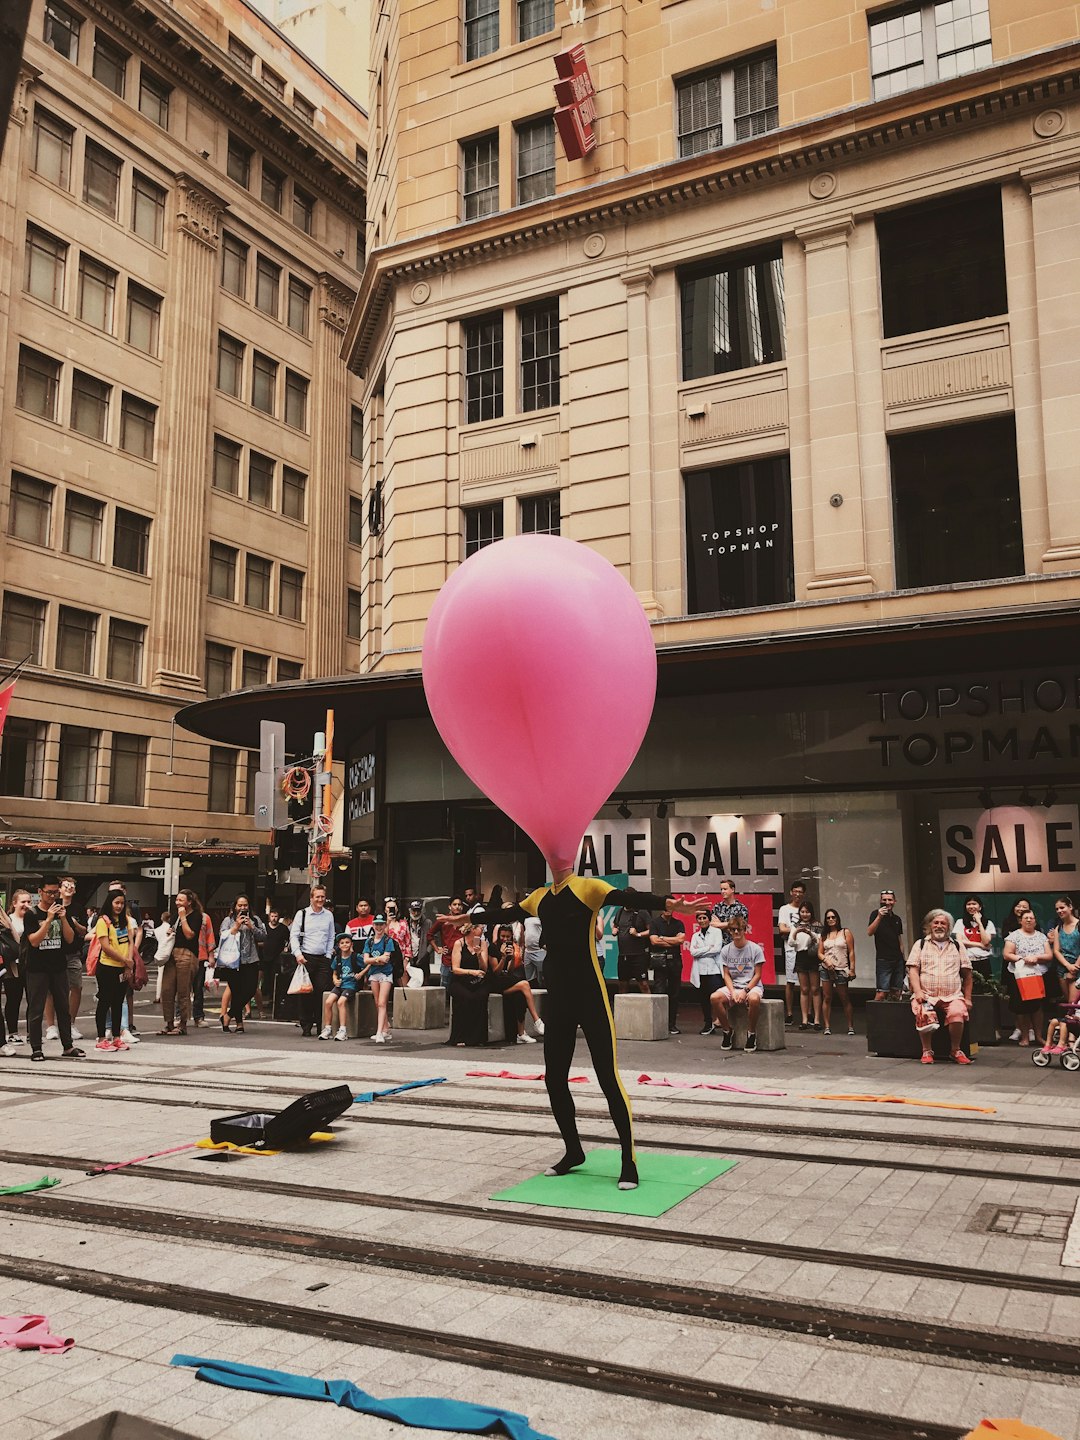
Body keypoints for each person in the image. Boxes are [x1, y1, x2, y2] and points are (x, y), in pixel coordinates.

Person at [461, 877, 685, 1190]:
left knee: (608, 1078)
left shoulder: (588, 888)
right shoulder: (539, 896)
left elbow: (625, 896)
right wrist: (470, 917)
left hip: (591, 997)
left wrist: (666, 903)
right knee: (554, 1079)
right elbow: (505, 916)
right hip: (560, 1001)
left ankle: (628, 1161)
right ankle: (573, 1151)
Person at [22, 876, 84, 1061]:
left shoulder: (60, 911)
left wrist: (63, 918)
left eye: (55, 892)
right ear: (40, 892)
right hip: (37, 967)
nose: (52, 896)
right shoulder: (32, 914)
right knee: (36, 1008)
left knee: (63, 1007)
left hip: (58, 966)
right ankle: (36, 1047)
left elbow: (70, 938)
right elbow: (33, 941)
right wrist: (48, 919)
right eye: (49, 892)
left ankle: (67, 1045)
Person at [907, 908, 973, 1065]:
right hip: (926, 994)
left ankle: (955, 1050)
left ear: (948, 927)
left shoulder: (958, 946)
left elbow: (968, 975)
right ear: (930, 925)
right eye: (935, 922)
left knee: (958, 1013)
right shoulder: (920, 944)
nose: (939, 926)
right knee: (924, 1013)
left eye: (943, 923)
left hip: (952, 995)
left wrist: (968, 999)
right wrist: (918, 992)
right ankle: (927, 1051)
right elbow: (913, 971)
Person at [289, 885, 337, 1037]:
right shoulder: (302, 914)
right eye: (317, 897)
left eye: (322, 897)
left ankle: (321, 1024)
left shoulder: (328, 915)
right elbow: (294, 936)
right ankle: (306, 1025)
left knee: (322, 993)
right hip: (306, 958)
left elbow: (331, 937)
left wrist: (328, 955)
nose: (320, 899)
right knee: (305, 993)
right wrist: (298, 954)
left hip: (323, 958)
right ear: (311, 898)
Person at [44, 875, 87, 1044]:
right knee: (51, 990)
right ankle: (51, 1026)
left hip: (72, 953)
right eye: (66, 886)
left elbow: (84, 931)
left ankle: (71, 1024)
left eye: (72, 886)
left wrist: (73, 922)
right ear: (59, 889)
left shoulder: (78, 908)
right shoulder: (53, 906)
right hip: (54, 952)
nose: (69, 888)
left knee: (76, 986)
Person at [93, 889, 137, 1052]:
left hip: (123, 967)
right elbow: (105, 946)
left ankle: (117, 1037)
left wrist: (128, 964)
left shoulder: (126, 920)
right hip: (107, 967)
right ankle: (101, 1038)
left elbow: (130, 942)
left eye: (121, 903)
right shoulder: (102, 921)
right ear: (110, 903)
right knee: (105, 1001)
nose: (119, 906)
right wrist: (124, 959)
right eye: (116, 902)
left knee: (118, 1001)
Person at [713, 915, 765, 1052]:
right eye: (733, 930)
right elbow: (726, 974)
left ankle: (751, 1033)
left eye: (739, 929)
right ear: (729, 931)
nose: (736, 932)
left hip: (752, 986)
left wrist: (745, 991)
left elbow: (758, 974)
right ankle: (727, 1030)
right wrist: (733, 992)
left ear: (744, 930)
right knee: (714, 998)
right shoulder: (726, 950)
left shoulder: (755, 949)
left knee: (754, 999)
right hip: (734, 986)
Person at [486, 924, 545, 1043]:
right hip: (494, 982)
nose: (505, 939)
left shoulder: (511, 946)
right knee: (524, 984)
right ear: (498, 935)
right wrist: (503, 957)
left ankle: (521, 1033)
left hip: (506, 980)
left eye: (508, 936)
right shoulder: (492, 948)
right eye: (502, 936)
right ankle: (537, 1020)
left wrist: (512, 958)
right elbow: (496, 972)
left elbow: (509, 971)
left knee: (520, 995)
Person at [1003, 908, 1052, 1048]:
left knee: (1037, 1007)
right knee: (1021, 1008)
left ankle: (1038, 1036)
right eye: (1026, 918)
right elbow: (1007, 954)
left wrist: (1036, 958)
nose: (1029, 920)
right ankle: (1025, 1037)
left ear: (1036, 921)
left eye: (1032, 918)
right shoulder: (1014, 936)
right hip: (1020, 976)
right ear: (1020, 921)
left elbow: (1049, 955)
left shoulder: (1042, 936)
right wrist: (1022, 959)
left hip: (1038, 975)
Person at [219, 896, 266, 1033]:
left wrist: (252, 926)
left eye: (245, 905)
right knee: (236, 991)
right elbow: (223, 936)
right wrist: (236, 926)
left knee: (251, 989)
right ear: (235, 907)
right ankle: (239, 1024)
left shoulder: (255, 919)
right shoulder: (228, 921)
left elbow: (263, 936)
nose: (243, 908)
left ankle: (228, 1015)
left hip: (250, 959)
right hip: (232, 960)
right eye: (240, 905)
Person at [160, 889, 203, 1036]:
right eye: (177, 900)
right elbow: (174, 931)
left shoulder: (196, 916)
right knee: (166, 989)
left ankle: (183, 1024)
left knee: (183, 990)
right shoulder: (175, 916)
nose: (177, 902)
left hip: (187, 954)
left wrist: (183, 917)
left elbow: (190, 935)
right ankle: (169, 1023)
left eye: (181, 900)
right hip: (172, 953)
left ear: (189, 902)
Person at [357, 912, 401, 1043]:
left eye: (381, 924)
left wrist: (373, 960)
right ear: (373, 925)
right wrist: (377, 959)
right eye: (377, 924)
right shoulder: (369, 941)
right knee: (377, 1003)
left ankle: (379, 1032)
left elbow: (386, 959)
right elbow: (365, 960)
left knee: (382, 1003)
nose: (379, 927)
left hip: (386, 974)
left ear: (385, 925)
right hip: (373, 974)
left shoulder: (388, 941)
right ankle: (385, 1029)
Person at [446, 919, 489, 1047]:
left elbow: (484, 969)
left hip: (478, 981)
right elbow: (455, 969)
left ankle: (477, 1037)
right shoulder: (459, 943)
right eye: (481, 928)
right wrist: (471, 972)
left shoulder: (482, 944)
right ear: (473, 929)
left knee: (480, 997)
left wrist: (479, 955)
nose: (482, 930)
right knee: (466, 998)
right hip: (461, 980)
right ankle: (460, 1036)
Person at [818, 908, 855, 1037]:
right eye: (828, 918)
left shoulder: (845, 932)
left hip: (841, 968)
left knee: (844, 997)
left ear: (837, 918)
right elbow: (819, 952)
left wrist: (852, 969)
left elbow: (851, 951)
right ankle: (827, 1026)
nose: (831, 920)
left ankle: (850, 1025)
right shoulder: (824, 935)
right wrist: (825, 960)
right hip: (826, 968)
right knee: (827, 997)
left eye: (833, 917)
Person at [0, 890, 30, 1051]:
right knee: (13, 998)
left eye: (28, 902)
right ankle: (12, 1032)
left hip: (30, 964)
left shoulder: (32, 919)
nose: (26, 905)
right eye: (23, 902)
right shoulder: (7, 920)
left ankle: (32, 1032)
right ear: (14, 903)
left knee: (33, 998)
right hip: (12, 965)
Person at [689, 905, 726, 1035]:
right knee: (704, 999)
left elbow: (716, 949)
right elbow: (693, 952)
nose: (702, 920)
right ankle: (707, 1024)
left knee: (717, 998)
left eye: (704, 917)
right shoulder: (695, 935)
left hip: (714, 971)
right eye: (699, 918)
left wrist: (702, 950)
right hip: (700, 972)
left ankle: (723, 1022)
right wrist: (707, 949)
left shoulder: (717, 932)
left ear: (709, 919)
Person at [321, 932, 363, 1041]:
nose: (345, 945)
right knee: (328, 1002)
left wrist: (361, 974)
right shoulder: (337, 958)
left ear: (351, 944)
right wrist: (335, 980)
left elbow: (367, 964)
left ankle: (343, 1030)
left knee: (341, 1002)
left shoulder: (356, 957)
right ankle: (327, 1028)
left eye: (347, 942)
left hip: (351, 985)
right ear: (339, 945)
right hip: (340, 984)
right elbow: (334, 972)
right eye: (342, 943)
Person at [650, 905, 685, 1035]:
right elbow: (653, 941)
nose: (668, 910)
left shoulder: (678, 923)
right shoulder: (654, 922)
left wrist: (663, 938)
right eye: (665, 907)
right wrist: (673, 941)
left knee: (674, 993)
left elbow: (681, 940)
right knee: (659, 991)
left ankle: (672, 1024)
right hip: (660, 960)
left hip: (675, 960)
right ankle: (659, 1023)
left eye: (671, 908)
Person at [777, 881, 807, 1027]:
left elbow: (812, 927)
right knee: (790, 981)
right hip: (790, 949)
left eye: (800, 892)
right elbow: (782, 929)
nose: (797, 894)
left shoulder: (806, 908)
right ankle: (789, 1013)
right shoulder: (784, 909)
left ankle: (807, 1014)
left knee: (805, 983)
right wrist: (799, 929)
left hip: (805, 949)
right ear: (791, 892)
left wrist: (793, 929)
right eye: (795, 891)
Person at [868, 890, 905, 1001]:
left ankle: (893, 1017)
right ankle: (875, 1017)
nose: (887, 902)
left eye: (890, 899)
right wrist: (879, 916)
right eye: (884, 899)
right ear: (880, 901)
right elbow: (870, 932)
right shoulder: (875, 914)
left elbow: (899, 940)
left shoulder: (897, 919)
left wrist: (903, 959)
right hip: (884, 960)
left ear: (894, 901)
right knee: (881, 993)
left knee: (896, 992)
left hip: (897, 960)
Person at [427, 896, 468, 989]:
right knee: (444, 991)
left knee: (460, 990)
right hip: (447, 960)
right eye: (455, 904)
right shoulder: (443, 920)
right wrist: (437, 949)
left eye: (459, 904)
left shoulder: (465, 920)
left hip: (462, 960)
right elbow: (429, 934)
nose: (457, 907)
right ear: (450, 906)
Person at [257, 909, 291, 1018]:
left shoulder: (283, 929)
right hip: (263, 957)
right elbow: (258, 939)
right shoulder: (264, 928)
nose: (274, 918)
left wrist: (286, 949)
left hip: (277, 958)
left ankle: (273, 999)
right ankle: (261, 1000)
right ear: (269, 917)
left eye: (276, 916)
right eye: (272, 916)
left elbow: (288, 941)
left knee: (275, 980)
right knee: (260, 980)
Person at [952, 897, 996, 983]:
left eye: (974, 904)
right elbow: (959, 941)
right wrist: (980, 945)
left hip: (983, 960)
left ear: (980, 907)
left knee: (985, 988)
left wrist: (979, 922)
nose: (971, 906)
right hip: (966, 960)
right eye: (969, 904)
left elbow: (986, 941)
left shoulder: (988, 923)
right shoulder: (960, 922)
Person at [793, 902, 822, 1030]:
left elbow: (820, 942)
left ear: (812, 912)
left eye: (807, 912)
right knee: (804, 989)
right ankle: (804, 1019)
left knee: (815, 989)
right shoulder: (796, 925)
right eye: (802, 912)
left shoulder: (817, 925)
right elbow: (791, 943)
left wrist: (810, 933)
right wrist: (795, 933)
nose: (805, 914)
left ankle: (816, 1020)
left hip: (813, 957)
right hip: (801, 956)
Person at [614, 901, 651, 994]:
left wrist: (638, 934)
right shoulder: (620, 912)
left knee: (643, 984)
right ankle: (623, 1008)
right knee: (622, 984)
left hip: (638, 955)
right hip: (623, 955)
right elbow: (615, 925)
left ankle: (648, 1007)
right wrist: (614, 929)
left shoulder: (642, 912)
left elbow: (651, 930)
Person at [1049, 896, 1080, 1003]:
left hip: (1077, 968)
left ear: (1070, 907)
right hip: (1062, 968)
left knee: (1073, 1003)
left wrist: (1074, 967)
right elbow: (1056, 950)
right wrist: (1067, 965)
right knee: (1068, 1003)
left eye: (1062, 907)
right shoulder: (1059, 927)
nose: (1059, 911)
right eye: (1057, 909)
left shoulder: (1078, 925)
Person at [191, 903, 217, 1028]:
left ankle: (198, 1016)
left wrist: (211, 956)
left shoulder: (204, 918)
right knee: (182, 989)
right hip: (184, 957)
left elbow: (209, 936)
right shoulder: (181, 917)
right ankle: (180, 1016)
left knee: (198, 988)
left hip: (200, 957)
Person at [405, 900, 431, 982]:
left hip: (423, 958)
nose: (416, 913)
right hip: (409, 957)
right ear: (410, 910)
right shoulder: (405, 922)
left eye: (418, 910)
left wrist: (427, 953)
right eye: (414, 910)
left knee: (424, 982)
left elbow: (433, 940)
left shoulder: (428, 923)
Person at [522, 913, 545, 986]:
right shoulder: (526, 917)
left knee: (542, 978)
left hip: (539, 950)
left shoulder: (542, 916)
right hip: (528, 951)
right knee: (529, 978)